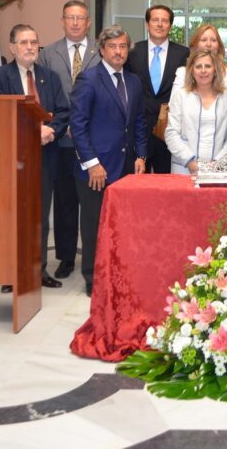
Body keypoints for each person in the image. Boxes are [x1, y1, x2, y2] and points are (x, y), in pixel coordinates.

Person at [0, 24, 70, 290]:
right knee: (15, 217)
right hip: (15, 158)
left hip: (45, 157)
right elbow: (1, 113)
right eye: (23, 42)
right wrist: (34, 130)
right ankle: (13, 273)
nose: (30, 47)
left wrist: (51, 131)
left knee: (39, 217)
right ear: (12, 47)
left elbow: (62, 112)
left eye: (34, 42)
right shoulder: (0, 77)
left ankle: (39, 270)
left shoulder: (50, 77)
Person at [71, 25, 148, 296]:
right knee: (94, 225)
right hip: (97, 170)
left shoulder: (134, 81)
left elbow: (138, 122)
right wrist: (92, 163)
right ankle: (93, 279)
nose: (118, 51)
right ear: (102, 49)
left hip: (126, 169)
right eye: (113, 46)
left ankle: (118, 272)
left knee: (121, 225)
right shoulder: (89, 79)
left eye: (123, 46)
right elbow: (78, 125)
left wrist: (141, 155)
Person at [37, 0, 100, 281]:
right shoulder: (47, 54)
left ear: (88, 22)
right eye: (70, 18)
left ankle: (94, 258)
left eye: (80, 18)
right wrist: (61, 125)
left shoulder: (103, 53)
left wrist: (84, 126)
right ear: (62, 21)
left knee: (92, 204)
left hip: (93, 142)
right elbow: (43, 97)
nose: (75, 23)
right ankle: (65, 257)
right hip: (61, 141)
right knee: (64, 203)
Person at [125, 5, 189, 175]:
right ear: (147, 24)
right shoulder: (132, 52)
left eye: (164, 21)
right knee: (139, 190)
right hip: (139, 131)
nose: (159, 24)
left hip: (170, 131)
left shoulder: (184, 54)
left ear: (170, 25)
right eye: (155, 20)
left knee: (169, 190)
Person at [164, 49, 227, 173]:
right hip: (184, 167)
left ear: (215, 70)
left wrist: (218, 163)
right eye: (198, 66)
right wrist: (190, 161)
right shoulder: (181, 95)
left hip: (217, 169)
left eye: (208, 66)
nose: (203, 71)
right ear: (191, 70)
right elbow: (171, 133)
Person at [171, 23, 227, 89]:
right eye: (203, 40)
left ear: (219, 46)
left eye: (213, 40)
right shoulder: (182, 73)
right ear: (195, 46)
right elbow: (175, 98)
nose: (208, 44)